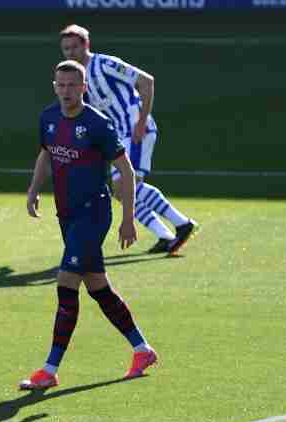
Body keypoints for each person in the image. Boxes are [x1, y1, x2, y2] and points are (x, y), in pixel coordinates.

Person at [21, 59, 157, 391]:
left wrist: (128, 220)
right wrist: (34, 189)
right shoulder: (48, 118)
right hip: (66, 214)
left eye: (73, 85)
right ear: (54, 86)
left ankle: (50, 369)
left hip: (93, 213)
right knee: (98, 287)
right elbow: (45, 155)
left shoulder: (98, 123)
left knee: (66, 283)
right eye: (61, 85)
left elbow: (125, 170)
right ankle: (142, 350)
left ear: (84, 88)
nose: (66, 91)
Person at [59, 24, 197, 256]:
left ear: (86, 45)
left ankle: (182, 224)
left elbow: (147, 81)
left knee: (127, 185)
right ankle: (166, 235)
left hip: (134, 130)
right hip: (119, 135)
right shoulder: (78, 79)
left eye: (74, 47)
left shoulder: (105, 64)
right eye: (65, 49)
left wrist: (141, 122)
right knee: (121, 191)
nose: (70, 53)